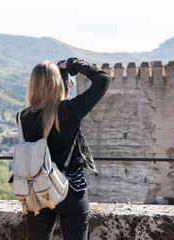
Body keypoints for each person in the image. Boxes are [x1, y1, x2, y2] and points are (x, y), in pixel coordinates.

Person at [17, 57, 111, 240]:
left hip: (37, 189)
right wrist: (73, 64)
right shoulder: (69, 110)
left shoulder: (22, 117)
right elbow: (103, 80)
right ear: (57, 83)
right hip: (70, 190)